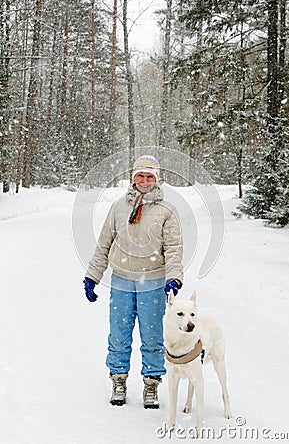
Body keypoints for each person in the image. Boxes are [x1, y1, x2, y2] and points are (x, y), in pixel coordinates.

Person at [83, 155, 183, 409]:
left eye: (150, 176)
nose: (145, 181)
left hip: (153, 280)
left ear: (157, 180)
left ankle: (151, 383)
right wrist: (92, 276)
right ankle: (118, 379)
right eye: (141, 175)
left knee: (152, 335)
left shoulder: (166, 211)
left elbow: (173, 248)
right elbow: (104, 243)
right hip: (122, 280)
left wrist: (173, 277)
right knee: (119, 334)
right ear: (133, 178)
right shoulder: (118, 207)